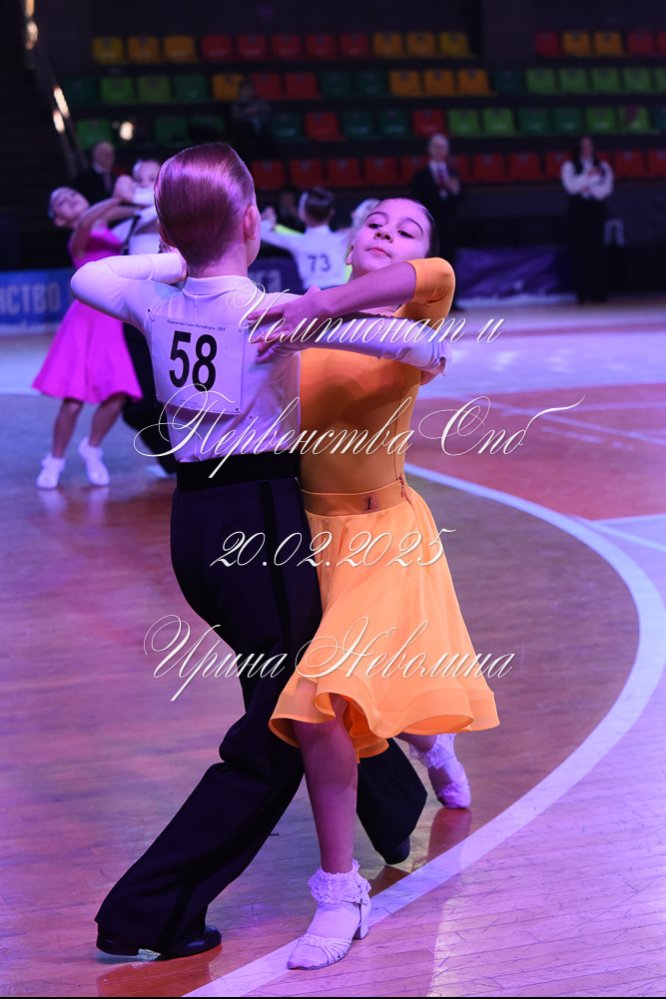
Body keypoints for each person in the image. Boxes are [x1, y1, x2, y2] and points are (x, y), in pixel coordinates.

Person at [70, 143, 454, 961]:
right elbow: (417, 347)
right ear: (251, 221)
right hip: (263, 527)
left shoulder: (151, 298)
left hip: (193, 529)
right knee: (284, 724)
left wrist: (180, 249)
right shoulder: (272, 309)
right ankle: (150, 908)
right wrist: (361, 328)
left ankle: (392, 808)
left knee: (290, 689)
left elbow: (89, 276)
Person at [251, 198, 500, 970]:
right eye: (376, 223)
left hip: (386, 538)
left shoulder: (413, 314)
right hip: (308, 542)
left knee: (323, 704)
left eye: (407, 227)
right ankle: (432, 741)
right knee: (364, 701)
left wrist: (318, 307)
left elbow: (437, 275)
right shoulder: (293, 325)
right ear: (351, 241)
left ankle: (340, 890)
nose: (388, 232)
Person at [33, 187, 141, 489]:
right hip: (84, 321)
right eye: (61, 202)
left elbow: (134, 212)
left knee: (118, 396)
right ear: (59, 220)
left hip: (113, 320)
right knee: (72, 402)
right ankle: (55, 459)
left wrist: (141, 200)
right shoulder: (78, 238)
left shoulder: (106, 222)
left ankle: (92, 448)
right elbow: (86, 222)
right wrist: (119, 197)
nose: (70, 199)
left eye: (72, 195)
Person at [112, 159, 178, 477]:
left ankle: (181, 460)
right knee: (139, 404)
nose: (144, 184)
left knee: (175, 393)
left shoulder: (172, 213)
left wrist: (131, 196)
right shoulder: (129, 224)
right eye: (139, 179)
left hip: (170, 315)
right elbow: (94, 226)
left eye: (153, 178)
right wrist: (116, 201)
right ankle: (170, 458)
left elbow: (161, 204)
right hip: (134, 319)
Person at [261, 187, 350, 291]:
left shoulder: (298, 241)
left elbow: (261, 232)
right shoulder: (343, 239)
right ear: (331, 212)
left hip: (312, 295)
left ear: (302, 213)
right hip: (339, 293)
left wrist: (267, 220)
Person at [560, 135, 614, 303]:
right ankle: (582, 293)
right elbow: (571, 187)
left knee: (598, 251)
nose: (586, 149)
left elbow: (606, 188)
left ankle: (599, 293)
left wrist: (588, 188)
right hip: (579, 212)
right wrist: (588, 177)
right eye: (583, 146)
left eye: (589, 145)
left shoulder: (603, 166)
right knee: (580, 252)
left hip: (596, 210)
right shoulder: (569, 166)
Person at [411, 134, 462, 274]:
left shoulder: (453, 172)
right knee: (431, 258)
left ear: (447, 150)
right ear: (429, 149)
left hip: (449, 224)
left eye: (442, 147)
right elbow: (417, 200)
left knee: (449, 260)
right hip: (429, 224)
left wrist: (455, 191)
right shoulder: (421, 174)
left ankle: (451, 288)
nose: (439, 150)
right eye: (436, 147)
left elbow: (461, 198)